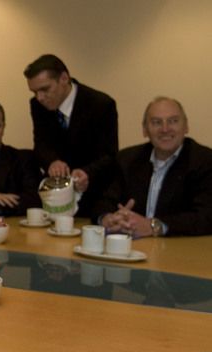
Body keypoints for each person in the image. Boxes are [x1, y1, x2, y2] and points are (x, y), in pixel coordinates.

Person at [93, 97, 212, 237]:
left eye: (173, 121)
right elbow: (103, 201)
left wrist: (154, 226)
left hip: (180, 252)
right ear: (145, 130)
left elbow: (205, 217)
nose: (165, 129)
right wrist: (108, 219)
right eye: (156, 122)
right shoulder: (127, 159)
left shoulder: (204, 161)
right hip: (131, 249)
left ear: (186, 127)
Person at [24, 54, 118, 217]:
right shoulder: (37, 105)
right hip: (55, 198)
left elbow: (109, 155)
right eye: (34, 92)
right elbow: (41, 144)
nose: (40, 98)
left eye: (45, 89)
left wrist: (87, 172)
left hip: (94, 197)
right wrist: (52, 161)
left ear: (64, 78)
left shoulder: (101, 104)